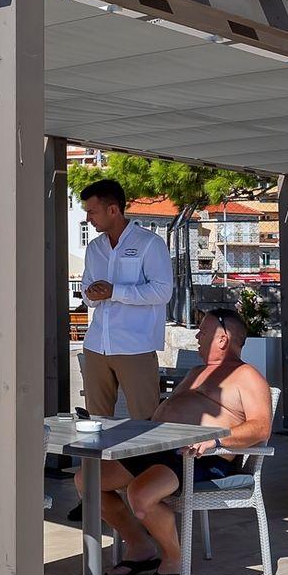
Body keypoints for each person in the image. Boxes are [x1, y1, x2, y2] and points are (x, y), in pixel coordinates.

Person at [93, 308, 272, 575]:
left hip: (201, 457)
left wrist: (215, 441)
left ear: (223, 339)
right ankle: (139, 547)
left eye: (204, 331)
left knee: (141, 494)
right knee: (88, 481)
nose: (198, 336)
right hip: (158, 449)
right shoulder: (196, 372)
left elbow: (261, 428)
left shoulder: (246, 375)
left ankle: (173, 560)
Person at [77, 177, 172, 419]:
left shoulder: (150, 243)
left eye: (92, 211)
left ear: (113, 210)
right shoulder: (94, 248)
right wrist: (92, 294)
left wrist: (115, 291)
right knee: (95, 423)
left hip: (135, 346)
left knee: (145, 421)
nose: (88, 218)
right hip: (96, 346)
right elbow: (88, 293)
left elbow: (163, 291)